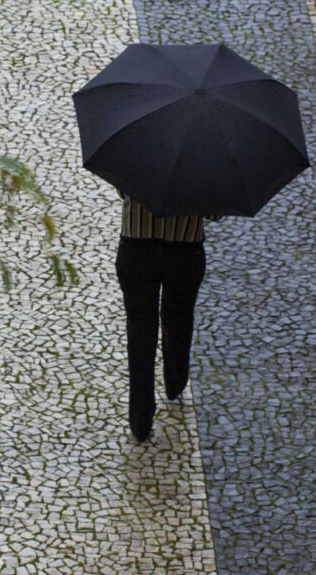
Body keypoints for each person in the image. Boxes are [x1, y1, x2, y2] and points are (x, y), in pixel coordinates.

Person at [114, 188, 222, 442]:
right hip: (184, 251)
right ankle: (175, 381)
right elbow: (215, 214)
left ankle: (140, 419)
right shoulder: (204, 161)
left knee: (140, 332)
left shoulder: (134, 150)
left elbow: (122, 189)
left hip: (136, 248)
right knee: (179, 319)